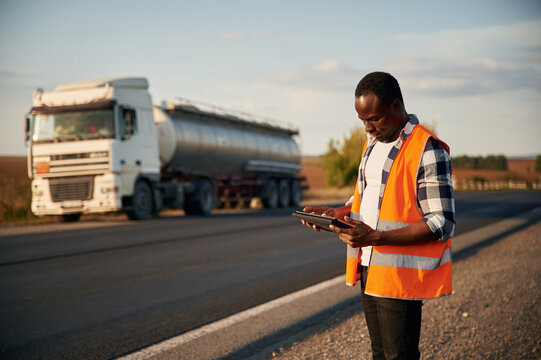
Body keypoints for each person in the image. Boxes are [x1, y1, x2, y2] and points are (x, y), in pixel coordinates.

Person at [301, 71, 455, 360]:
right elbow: (371, 194)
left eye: (374, 119)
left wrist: (376, 237)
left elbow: (441, 222)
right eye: (362, 120)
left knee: (400, 356)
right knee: (380, 354)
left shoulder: (427, 149)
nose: (367, 128)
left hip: (400, 271)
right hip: (370, 264)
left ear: (396, 106)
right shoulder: (373, 144)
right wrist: (338, 212)